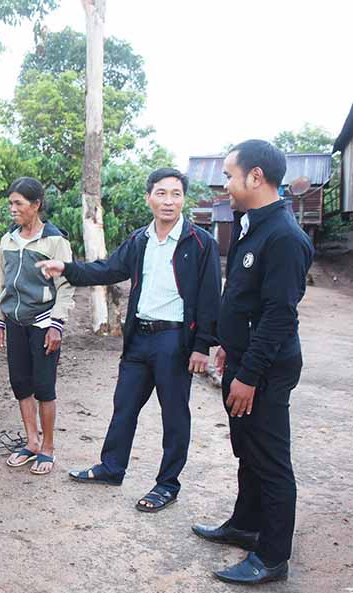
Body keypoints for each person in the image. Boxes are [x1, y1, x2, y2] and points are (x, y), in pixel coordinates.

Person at [37, 167, 221, 511]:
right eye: (162, 193)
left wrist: (202, 346)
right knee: (124, 406)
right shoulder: (140, 240)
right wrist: (67, 268)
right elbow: (108, 269)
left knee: (174, 414)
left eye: (176, 194)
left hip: (174, 341)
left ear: (183, 199)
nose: (169, 201)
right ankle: (111, 467)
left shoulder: (200, 243)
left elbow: (211, 296)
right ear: (149, 197)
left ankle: (167, 484)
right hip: (139, 338)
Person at [192, 140, 313, 585]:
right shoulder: (251, 225)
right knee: (246, 450)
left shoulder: (284, 236)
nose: (224, 184)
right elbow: (247, 297)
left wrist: (249, 375)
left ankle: (272, 556)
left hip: (265, 368)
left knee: (270, 459)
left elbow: (280, 315)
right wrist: (228, 344)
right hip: (243, 357)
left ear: (255, 177)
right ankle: (246, 523)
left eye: (228, 175)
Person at [0, 177, 74, 475]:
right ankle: (31, 443)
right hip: (14, 322)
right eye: (11, 203)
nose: (13, 209)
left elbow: (66, 287)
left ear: (36, 204)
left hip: (43, 324)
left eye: (19, 204)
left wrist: (57, 325)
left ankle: (48, 448)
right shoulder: (8, 240)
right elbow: (1, 283)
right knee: (21, 385)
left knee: (44, 387)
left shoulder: (54, 241)